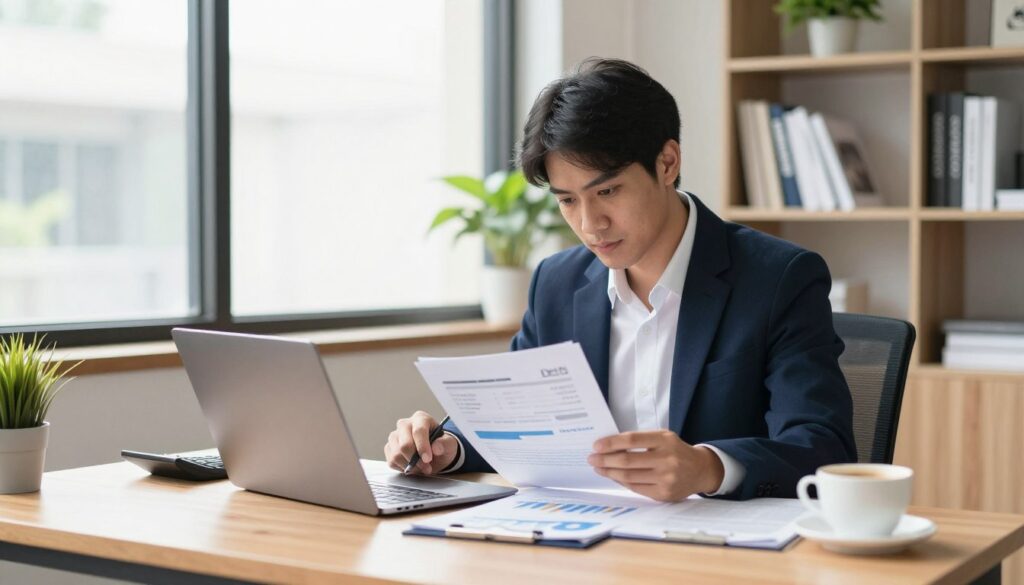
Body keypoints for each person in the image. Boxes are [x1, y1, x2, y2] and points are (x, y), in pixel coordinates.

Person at [384, 58, 856, 501]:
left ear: (667, 163)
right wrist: (448, 446)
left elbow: (823, 447)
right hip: (587, 544)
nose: (591, 224)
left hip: (718, 551)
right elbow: (519, 424)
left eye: (607, 191)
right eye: (567, 200)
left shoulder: (779, 278)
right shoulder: (557, 283)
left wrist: (707, 467)